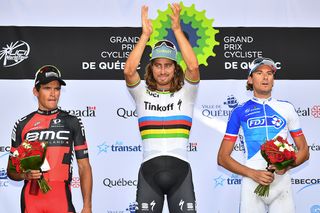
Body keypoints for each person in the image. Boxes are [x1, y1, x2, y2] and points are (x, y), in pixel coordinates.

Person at [124, 3, 200, 213]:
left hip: (180, 172)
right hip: (149, 172)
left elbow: (193, 67)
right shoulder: (141, 92)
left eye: (168, 65)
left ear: (175, 67)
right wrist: (144, 36)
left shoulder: (187, 93)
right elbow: (129, 71)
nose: (163, 70)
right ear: (151, 68)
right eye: (158, 65)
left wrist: (177, 30)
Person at [217, 57, 309, 213]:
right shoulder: (239, 111)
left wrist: (286, 166)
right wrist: (252, 173)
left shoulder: (287, 108)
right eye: (259, 73)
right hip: (251, 184)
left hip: (282, 185)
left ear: (273, 80)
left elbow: (304, 151)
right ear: (250, 79)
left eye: (269, 73)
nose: (265, 77)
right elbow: (222, 158)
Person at [7, 65, 93, 213]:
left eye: (57, 88)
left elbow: (84, 166)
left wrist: (87, 206)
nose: (53, 93)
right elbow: (11, 170)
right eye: (47, 88)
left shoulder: (72, 121)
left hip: (60, 197)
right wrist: (24, 175)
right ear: (36, 91)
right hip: (31, 198)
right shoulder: (22, 124)